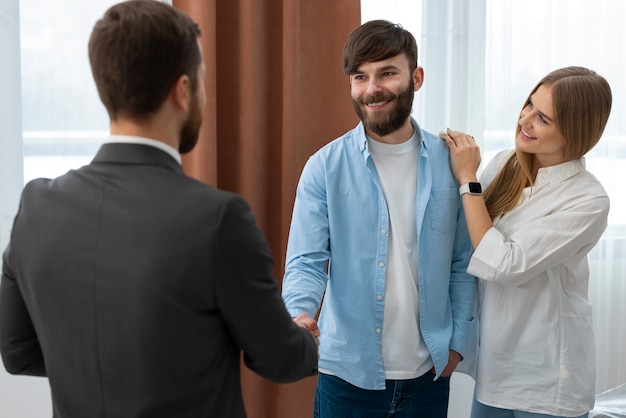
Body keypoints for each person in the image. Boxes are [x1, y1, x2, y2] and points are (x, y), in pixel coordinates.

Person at [0, 1, 319, 417]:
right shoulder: (218, 219)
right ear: (183, 90)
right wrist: (307, 341)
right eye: (203, 80)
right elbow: (278, 358)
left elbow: (18, 352)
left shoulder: (35, 207)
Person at [281, 19, 477, 417]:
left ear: (416, 77)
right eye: (360, 77)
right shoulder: (324, 167)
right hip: (346, 378)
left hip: (429, 376)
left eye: (387, 72)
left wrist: (458, 342)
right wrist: (298, 314)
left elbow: (463, 262)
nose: (372, 89)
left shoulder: (450, 163)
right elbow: (306, 261)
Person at [440, 66, 612, 418]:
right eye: (529, 106)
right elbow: (469, 238)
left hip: (548, 380)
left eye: (543, 118)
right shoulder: (505, 164)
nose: (525, 120)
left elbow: (506, 264)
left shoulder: (588, 198)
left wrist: (468, 179)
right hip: (496, 368)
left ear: (574, 132)